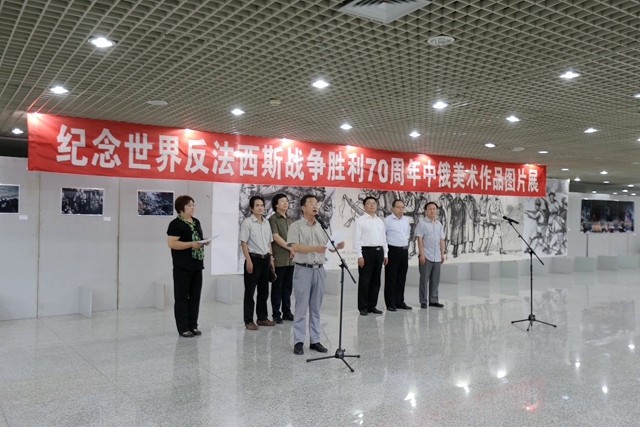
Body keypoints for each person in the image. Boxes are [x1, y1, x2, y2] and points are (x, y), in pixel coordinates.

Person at [287, 194, 345, 355]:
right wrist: (313, 248)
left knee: (316, 307)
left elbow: (329, 247)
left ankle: (315, 340)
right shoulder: (296, 226)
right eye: (311, 203)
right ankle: (298, 341)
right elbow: (295, 247)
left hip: (319, 269)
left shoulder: (322, 226)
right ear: (303, 208)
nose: (315, 206)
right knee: (301, 307)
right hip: (303, 269)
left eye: (316, 203)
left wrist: (337, 246)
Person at [167, 195, 209, 338]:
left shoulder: (196, 222)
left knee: (195, 297)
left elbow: (196, 239)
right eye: (189, 205)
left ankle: (193, 325)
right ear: (181, 208)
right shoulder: (175, 224)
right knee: (182, 298)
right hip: (182, 266)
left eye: (193, 205)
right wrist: (191, 244)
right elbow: (172, 243)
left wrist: (204, 241)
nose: (192, 208)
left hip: (197, 265)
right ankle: (183, 328)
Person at [240, 195, 276, 330]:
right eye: (257, 205)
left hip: (265, 259)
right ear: (251, 208)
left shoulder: (266, 223)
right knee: (250, 292)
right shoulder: (247, 223)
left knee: (264, 291)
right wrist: (248, 261)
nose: (260, 208)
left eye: (262, 205)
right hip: (253, 259)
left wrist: (271, 258)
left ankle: (262, 318)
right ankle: (248, 320)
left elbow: (269, 242)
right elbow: (243, 243)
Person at [353, 196, 388, 316]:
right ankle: (363, 307)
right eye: (369, 203)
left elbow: (384, 238)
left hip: (379, 251)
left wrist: (385, 254)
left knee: (376, 281)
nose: (372, 205)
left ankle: (372, 306)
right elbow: (356, 239)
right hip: (366, 252)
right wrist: (359, 255)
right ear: (364, 206)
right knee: (365, 281)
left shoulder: (380, 221)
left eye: (374, 203)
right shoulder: (360, 221)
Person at [268, 193, 295, 324]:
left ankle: (287, 312)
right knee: (277, 287)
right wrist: (290, 248)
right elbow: (275, 237)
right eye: (282, 201)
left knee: (288, 287)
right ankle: (276, 314)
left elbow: (295, 236)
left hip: (291, 259)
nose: (285, 203)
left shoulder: (291, 219)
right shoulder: (273, 219)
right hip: (279, 258)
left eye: (286, 201)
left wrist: (293, 249)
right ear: (276, 205)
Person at [383, 199, 412, 311]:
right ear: (393, 208)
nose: (401, 209)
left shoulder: (406, 220)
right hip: (392, 250)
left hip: (404, 250)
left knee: (401, 277)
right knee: (391, 278)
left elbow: (407, 233)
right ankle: (390, 303)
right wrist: (385, 254)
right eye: (398, 207)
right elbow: (383, 238)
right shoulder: (387, 221)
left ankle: (400, 301)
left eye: (402, 207)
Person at [416, 201, 445, 309]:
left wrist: (442, 254)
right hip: (426, 255)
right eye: (430, 209)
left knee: (435, 280)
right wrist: (421, 254)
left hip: (437, 256)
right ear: (425, 211)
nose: (432, 211)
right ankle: (423, 301)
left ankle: (433, 300)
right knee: (424, 280)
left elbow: (441, 240)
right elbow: (420, 239)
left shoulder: (439, 224)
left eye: (434, 209)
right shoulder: (422, 223)